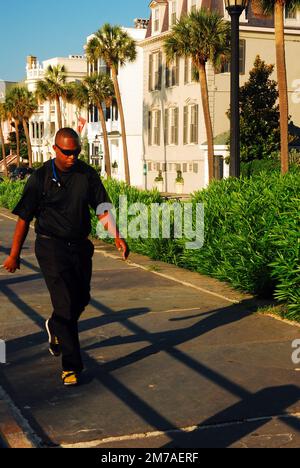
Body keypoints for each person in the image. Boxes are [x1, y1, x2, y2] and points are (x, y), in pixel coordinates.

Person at [3, 128, 129, 387]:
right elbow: (24, 217)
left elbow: (102, 208)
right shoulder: (40, 178)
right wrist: (14, 255)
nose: (72, 157)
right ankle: (71, 367)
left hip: (80, 246)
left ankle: (55, 325)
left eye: (76, 152)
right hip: (51, 247)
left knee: (81, 298)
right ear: (55, 149)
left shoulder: (87, 175)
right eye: (67, 152)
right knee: (65, 303)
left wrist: (117, 235)